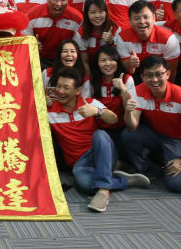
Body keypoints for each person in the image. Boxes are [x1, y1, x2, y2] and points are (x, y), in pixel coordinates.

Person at [47, 68, 150, 213]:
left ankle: (103, 191)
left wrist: (97, 111)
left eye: (66, 87)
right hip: (80, 164)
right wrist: (40, 100)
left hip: (101, 153)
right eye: (58, 86)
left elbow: (113, 119)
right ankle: (123, 180)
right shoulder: (48, 110)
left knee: (101, 135)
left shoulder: (89, 103)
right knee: (86, 185)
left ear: (78, 90)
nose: (60, 91)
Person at [122, 56, 181, 193]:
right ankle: (145, 169)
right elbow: (133, 126)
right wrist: (128, 111)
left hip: (179, 139)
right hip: (155, 134)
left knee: (177, 186)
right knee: (129, 135)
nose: (154, 80)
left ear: (168, 74)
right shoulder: (137, 91)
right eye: (149, 75)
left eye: (159, 74)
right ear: (143, 77)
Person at [88, 46, 137, 163]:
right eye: (103, 60)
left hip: (122, 129)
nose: (108, 64)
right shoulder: (91, 80)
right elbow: (87, 106)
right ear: (97, 63)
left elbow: (129, 109)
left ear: (117, 62)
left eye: (111, 60)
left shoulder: (127, 79)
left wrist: (123, 89)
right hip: (99, 130)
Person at [115, 0, 180, 80]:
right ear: (130, 21)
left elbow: (171, 73)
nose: (142, 22)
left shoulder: (168, 39)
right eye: (136, 18)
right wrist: (130, 63)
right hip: (135, 77)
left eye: (146, 17)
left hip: (159, 78)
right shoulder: (122, 37)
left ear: (153, 18)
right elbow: (128, 70)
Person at [24, 0, 83, 69]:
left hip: (65, 60)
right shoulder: (32, 15)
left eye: (63, 0)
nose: (58, 4)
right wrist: (31, 43)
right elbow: (24, 41)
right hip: (39, 59)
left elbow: (78, 47)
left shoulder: (77, 18)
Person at [74, 0, 117, 74]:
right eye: (93, 12)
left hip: (111, 70)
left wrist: (111, 42)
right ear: (86, 14)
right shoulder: (80, 33)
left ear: (106, 13)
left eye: (101, 12)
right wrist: (90, 82)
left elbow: (119, 58)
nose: (97, 16)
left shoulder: (115, 29)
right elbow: (85, 62)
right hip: (89, 70)